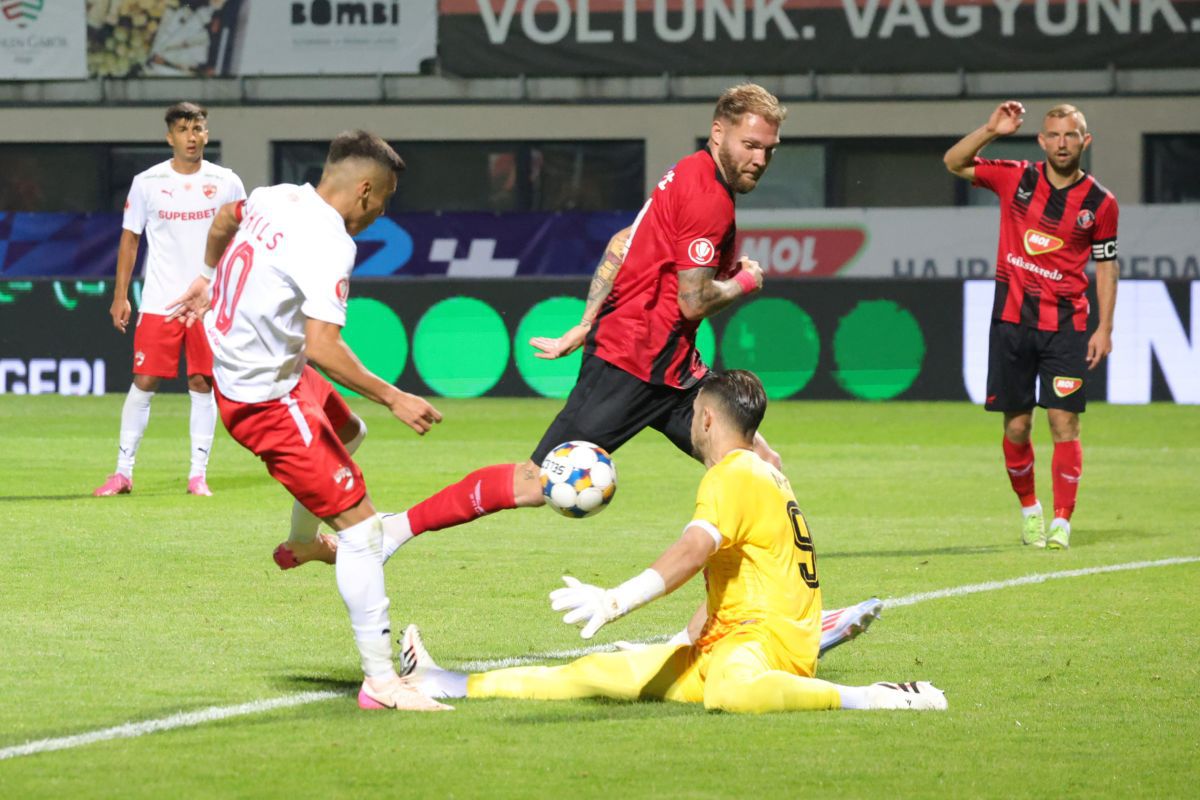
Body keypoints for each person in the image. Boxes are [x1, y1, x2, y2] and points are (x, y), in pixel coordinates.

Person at [398, 370, 946, 713]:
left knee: (731, 693)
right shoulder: (761, 473)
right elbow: (731, 576)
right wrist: (681, 641)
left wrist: (615, 600)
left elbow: (692, 551)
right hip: (730, 640)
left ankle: (873, 697)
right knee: (591, 674)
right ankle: (446, 681)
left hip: (762, 645)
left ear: (704, 418)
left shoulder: (733, 475)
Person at [169, 130, 448, 711]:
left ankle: (299, 543)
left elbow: (223, 218)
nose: (382, 211)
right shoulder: (331, 242)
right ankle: (381, 684)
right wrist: (394, 397)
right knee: (363, 534)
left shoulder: (275, 195)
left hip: (258, 370)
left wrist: (208, 275)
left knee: (348, 433)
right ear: (365, 189)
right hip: (266, 400)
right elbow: (323, 346)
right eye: (385, 198)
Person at [944, 101, 1118, 550]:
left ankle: (1062, 521)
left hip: (1066, 326)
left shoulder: (1101, 203)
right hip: (1012, 322)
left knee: (1064, 421)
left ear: (1085, 141)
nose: (1062, 143)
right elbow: (954, 162)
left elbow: (1106, 264)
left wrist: (1104, 327)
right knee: (1017, 427)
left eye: (1070, 135)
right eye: (1054, 135)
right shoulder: (1016, 177)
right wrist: (990, 130)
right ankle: (1030, 512)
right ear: (1041, 141)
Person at [94, 102, 246, 498]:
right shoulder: (147, 182)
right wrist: (120, 295)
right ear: (170, 137)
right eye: (183, 130)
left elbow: (242, 241)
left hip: (207, 305)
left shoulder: (227, 182)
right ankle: (122, 473)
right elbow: (130, 239)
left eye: (197, 129)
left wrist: (230, 293)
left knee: (201, 382)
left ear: (206, 134)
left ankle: (198, 475)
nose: (191, 137)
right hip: (160, 301)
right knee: (144, 381)